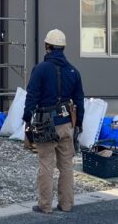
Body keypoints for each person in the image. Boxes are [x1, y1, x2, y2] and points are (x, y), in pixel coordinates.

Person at [23, 29, 85, 214]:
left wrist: (27, 119)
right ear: (63, 47)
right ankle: (66, 204)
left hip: (45, 124)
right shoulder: (73, 71)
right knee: (66, 166)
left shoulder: (40, 69)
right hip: (67, 123)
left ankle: (45, 205)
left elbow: (32, 96)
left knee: (46, 164)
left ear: (47, 46)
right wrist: (78, 123)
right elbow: (80, 100)